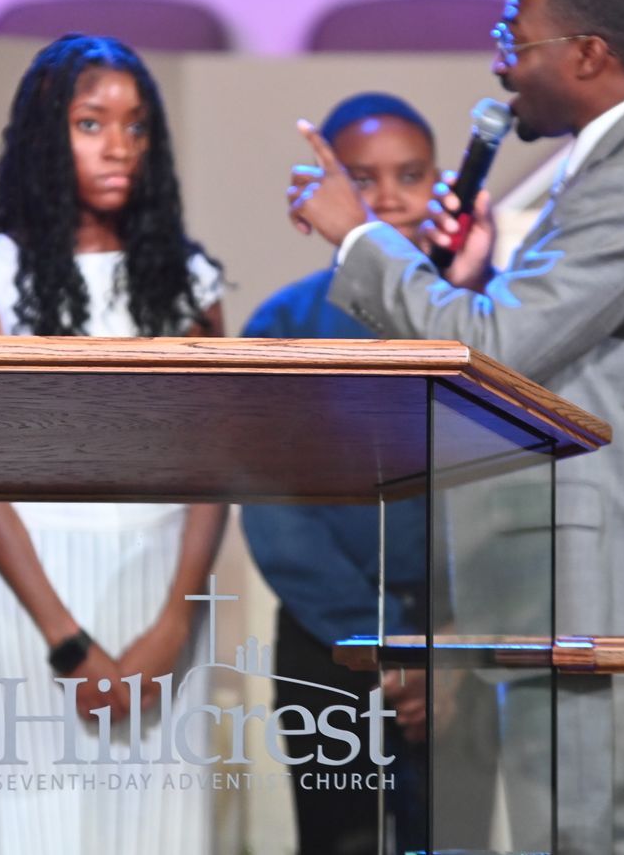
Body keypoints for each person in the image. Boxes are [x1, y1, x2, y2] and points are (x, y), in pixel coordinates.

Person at [285, 0, 624, 855]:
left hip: (607, 597)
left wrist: (360, 237)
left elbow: (495, 351)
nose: (500, 64)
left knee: (595, 841)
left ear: (588, 53)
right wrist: (473, 280)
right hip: (579, 592)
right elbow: (561, 354)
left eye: (514, 41)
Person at [0, 34, 227, 855]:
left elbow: (214, 463)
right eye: (91, 123)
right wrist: (66, 640)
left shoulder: (188, 283)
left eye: (136, 125)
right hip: (34, 592)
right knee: (32, 828)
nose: (119, 146)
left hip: (162, 585)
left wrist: (176, 622)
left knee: (154, 832)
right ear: (47, 135)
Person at [241, 91, 498, 854]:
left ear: (442, 182)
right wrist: (389, 642)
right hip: (332, 638)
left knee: (454, 837)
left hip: (465, 639)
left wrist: (451, 642)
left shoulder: (483, 317)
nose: (388, 197)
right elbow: (276, 512)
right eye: (362, 179)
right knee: (341, 839)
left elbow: (509, 491)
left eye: (411, 175)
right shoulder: (284, 326)